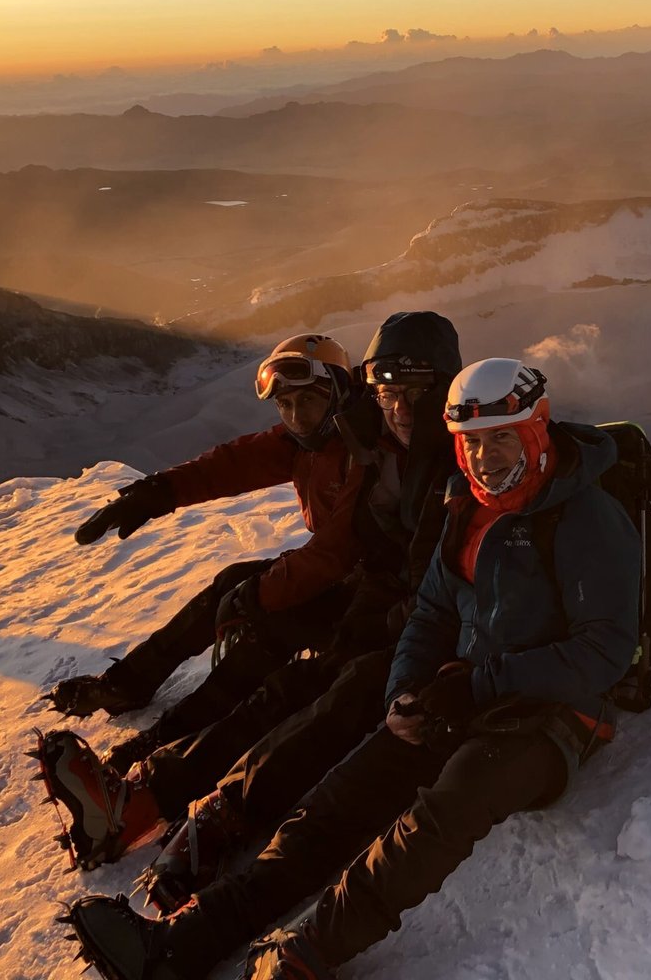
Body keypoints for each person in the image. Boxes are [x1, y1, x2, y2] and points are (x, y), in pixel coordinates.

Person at [62, 359, 642, 980]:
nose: (485, 457)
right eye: (471, 442)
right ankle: (182, 946)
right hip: (464, 690)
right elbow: (433, 610)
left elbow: (603, 652)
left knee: (435, 820)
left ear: (538, 427)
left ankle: (304, 956)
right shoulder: (465, 508)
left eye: (503, 436)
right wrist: (406, 690)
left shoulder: (585, 519)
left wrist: (473, 686)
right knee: (334, 805)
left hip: (552, 715)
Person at [38, 314, 463, 885]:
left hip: (386, 603)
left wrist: (261, 597)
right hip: (370, 591)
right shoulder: (355, 433)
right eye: (389, 391)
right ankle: (141, 730)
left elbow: (338, 551)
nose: (293, 416)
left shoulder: (421, 449)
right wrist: (158, 492)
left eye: (416, 391)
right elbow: (235, 462)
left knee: (292, 680)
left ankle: (155, 792)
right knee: (255, 626)